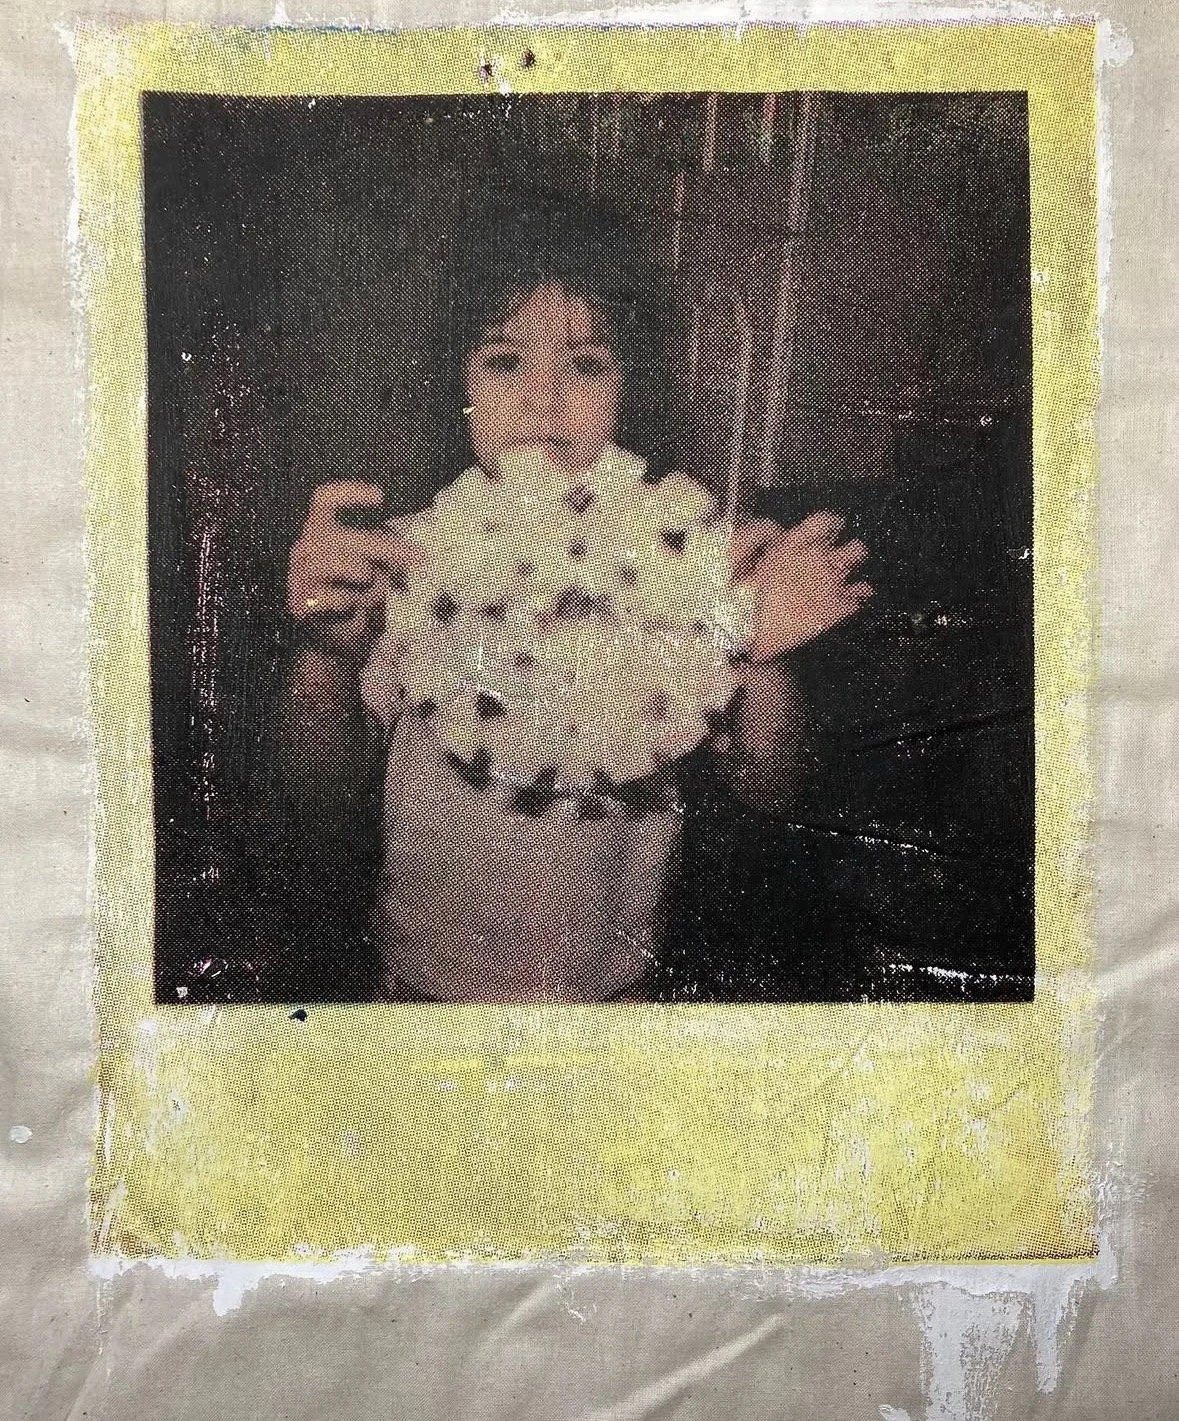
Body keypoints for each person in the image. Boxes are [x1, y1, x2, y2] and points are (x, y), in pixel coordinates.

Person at [279, 191, 871, 1003]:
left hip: (615, 999)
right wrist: (325, 657)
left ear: (635, 387)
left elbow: (771, 785)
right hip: (424, 994)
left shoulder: (688, 556)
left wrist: (755, 646)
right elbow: (313, 806)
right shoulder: (405, 556)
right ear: (458, 382)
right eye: (504, 360)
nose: (543, 398)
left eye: (586, 364)